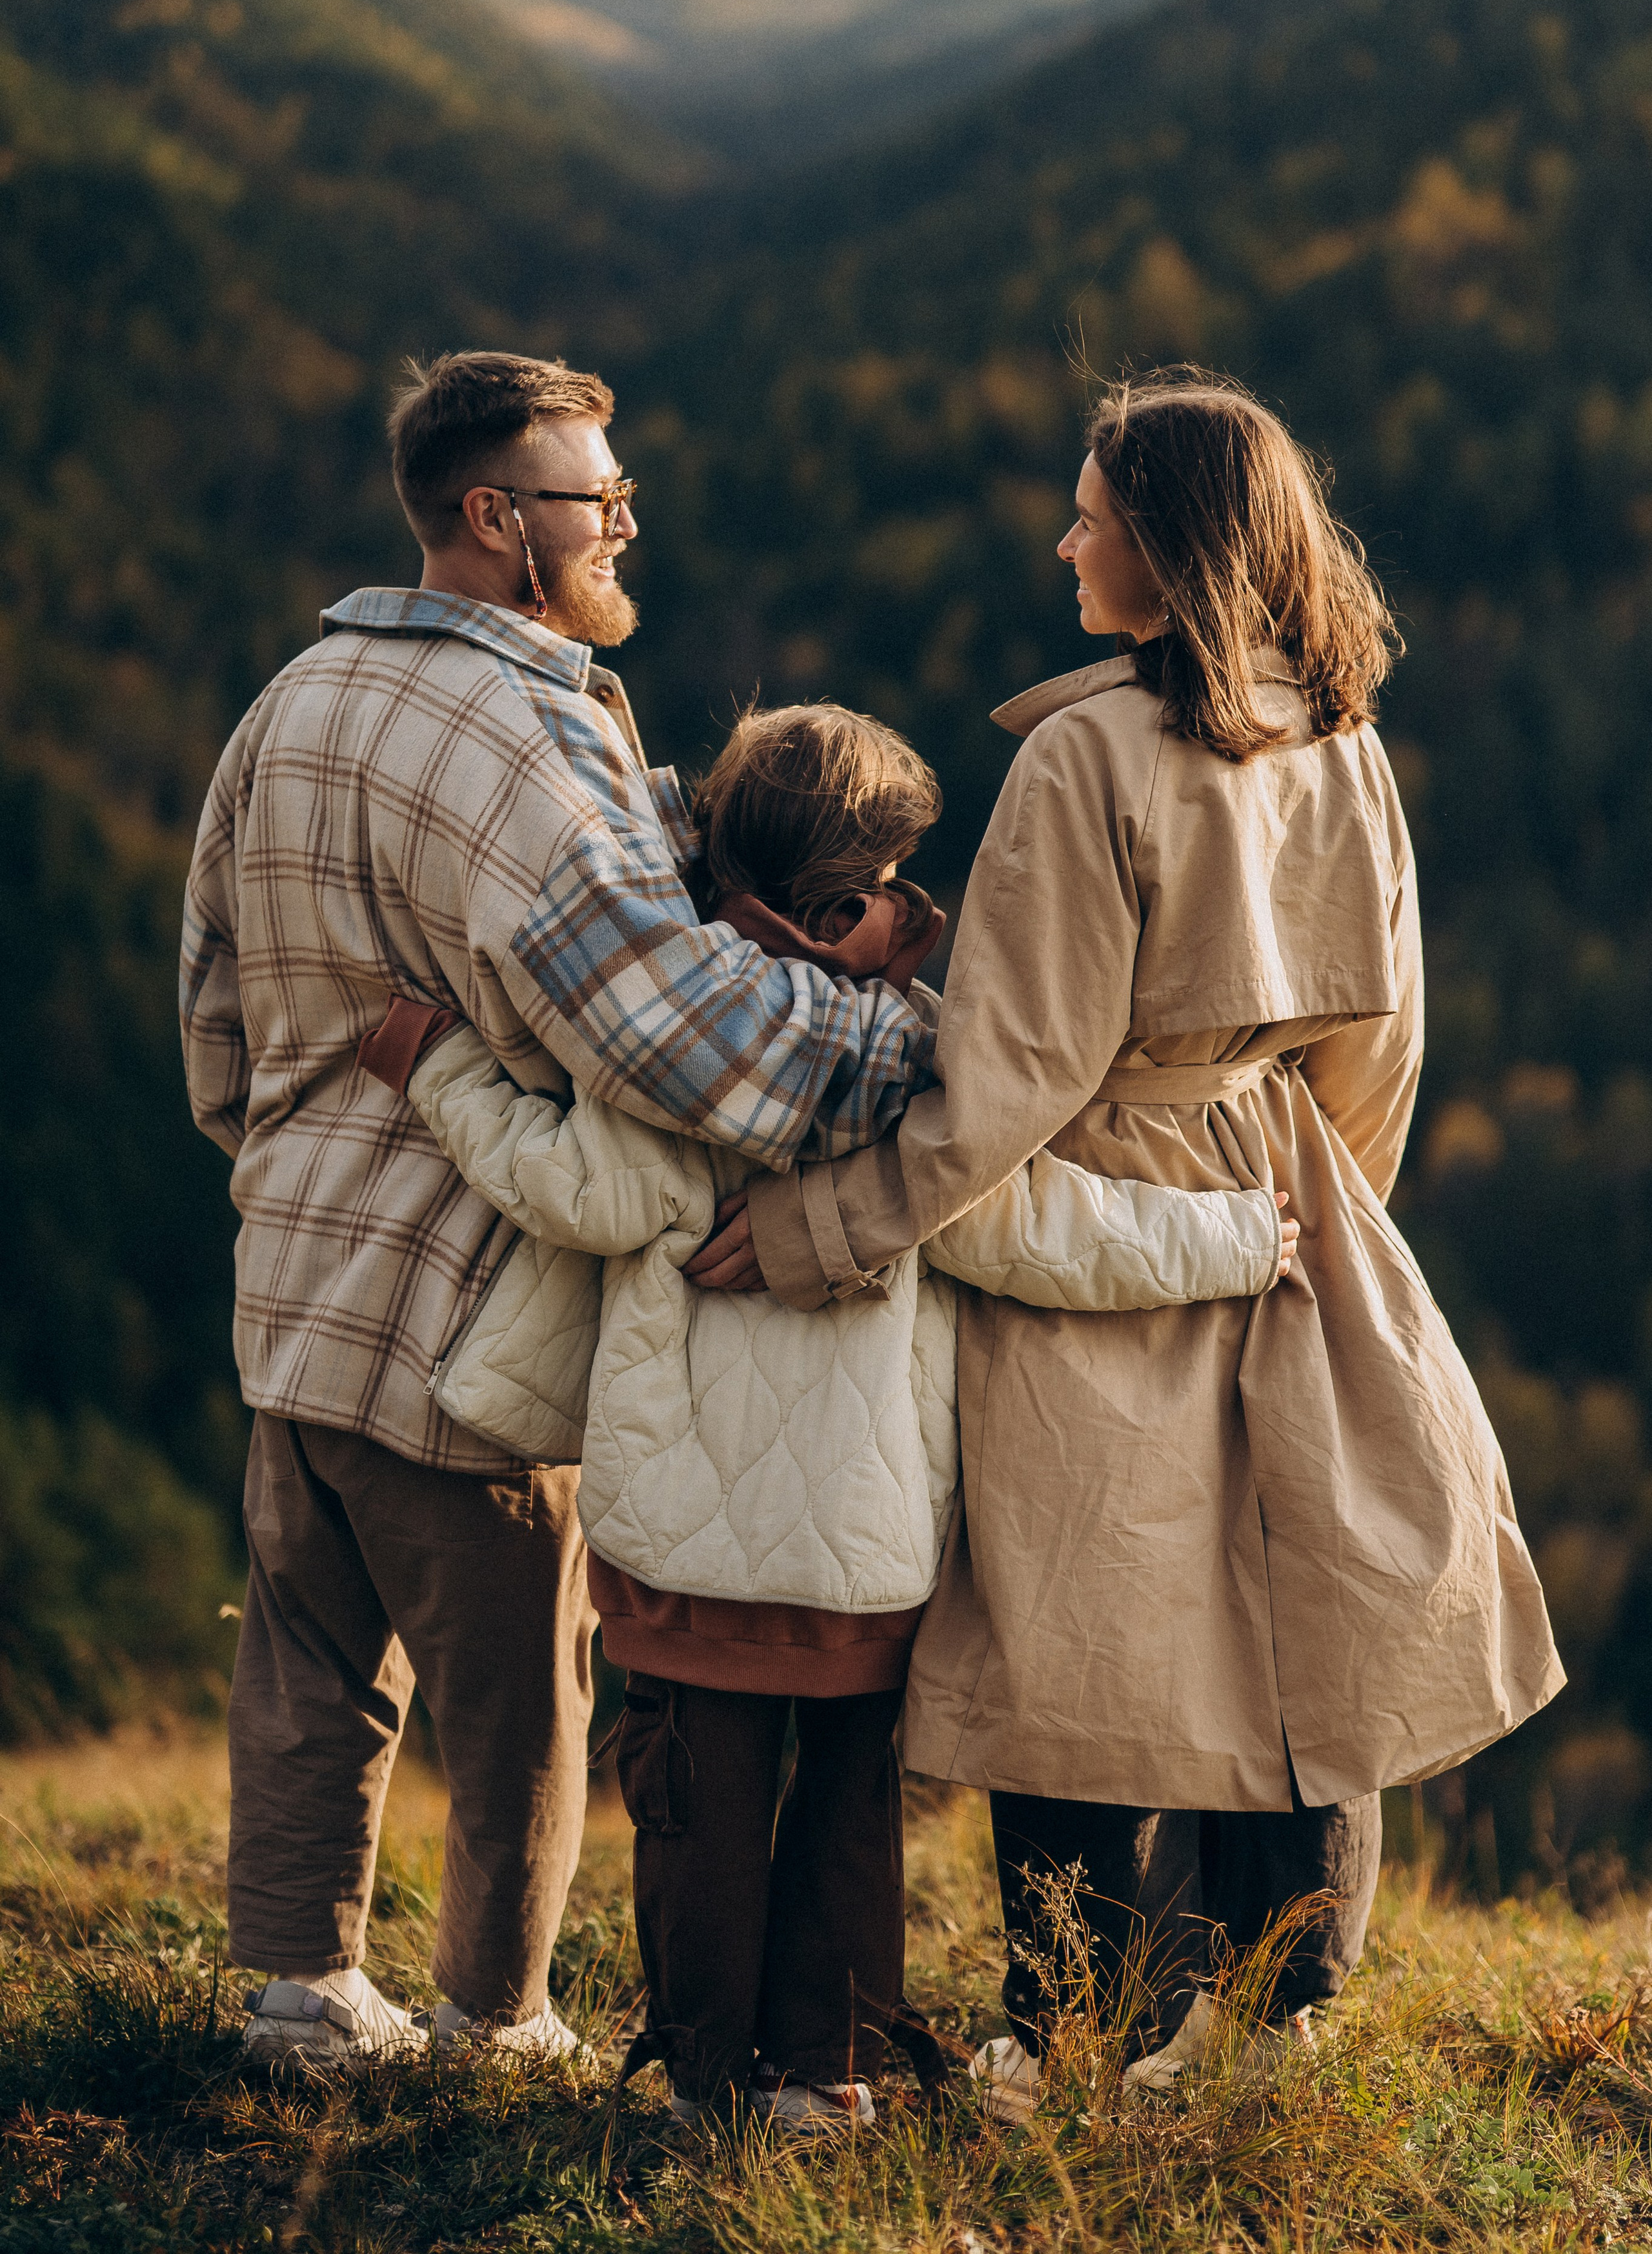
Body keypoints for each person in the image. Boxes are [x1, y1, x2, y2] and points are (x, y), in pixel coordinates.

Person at [706, 367, 1565, 2115]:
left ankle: (1073, 2028)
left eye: (1090, 514)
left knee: (1080, 1619)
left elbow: (1008, 1074)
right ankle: (1275, 2008)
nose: (1062, 538)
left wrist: (824, 1230)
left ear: (1162, 551)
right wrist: (1329, 1225)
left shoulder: (1084, 754)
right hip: (1291, 1180)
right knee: (1288, 1606)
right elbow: (1381, 1037)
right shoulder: (1347, 738)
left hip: (1104, 1183)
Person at [354, 699, 1294, 2132]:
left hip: (679, 1559)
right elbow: (1047, 1230)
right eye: (903, 889)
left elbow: (562, 1182)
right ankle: (828, 2074)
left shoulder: (658, 1069)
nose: (924, 912)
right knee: (848, 1823)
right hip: (864, 1567)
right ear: (837, 909)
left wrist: (436, 1067)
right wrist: (1232, 1241)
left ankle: (703, 2076)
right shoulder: (921, 1088)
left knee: (695, 1821)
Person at [179, 350, 942, 2072]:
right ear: (492, 518)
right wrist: (904, 1044)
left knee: (310, 1663)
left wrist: (290, 1163)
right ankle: (494, 2014)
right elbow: (683, 1043)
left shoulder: (291, 701)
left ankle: (295, 1995)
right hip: (459, 1309)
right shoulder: (511, 732)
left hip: (294, 1285)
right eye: (596, 499)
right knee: (517, 1695)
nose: (622, 525)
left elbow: (215, 1017)